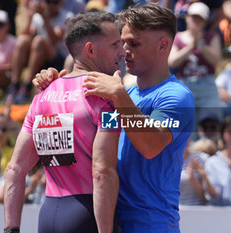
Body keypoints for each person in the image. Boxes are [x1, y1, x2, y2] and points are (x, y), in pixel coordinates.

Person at [34, 4, 194, 232]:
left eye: (134, 43)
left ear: (163, 45)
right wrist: (56, 87)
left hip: (152, 225)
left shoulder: (178, 97)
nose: (124, 51)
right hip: (111, 223)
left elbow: (150, 145)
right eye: (122, 42)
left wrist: (118, 95)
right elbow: (80, 144)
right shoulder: (120, 95)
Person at [4, 12, 124, 233]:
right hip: (88, 215)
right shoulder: (104, 98)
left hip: (48, 213)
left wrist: (11, 228)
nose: (123, 51)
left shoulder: (41, 97)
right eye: (116, 44)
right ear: (90, 50)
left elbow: (15, 168)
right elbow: (101, 172)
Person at [168, 2, 222, 128]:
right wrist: (191, 47)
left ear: (205, 21)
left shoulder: (211, 36)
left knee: (211, 125)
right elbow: (172, 61)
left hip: (207, 86)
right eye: (193, 17)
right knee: (187, 128)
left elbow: (216, 60)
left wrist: (201, 45)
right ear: (187, 17)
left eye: (200, 19)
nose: (196, 22)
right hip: (186, 85)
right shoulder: (178, 37)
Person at [8, 0, 73, 103]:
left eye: (55, 2)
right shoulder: (37, 17)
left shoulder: (67, 16)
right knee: (22, 41)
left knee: (39, 41)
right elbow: (25, 35)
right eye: (48, 2)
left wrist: (44, 18)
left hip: (59, 58)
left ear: (61, 3)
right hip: (40, 56)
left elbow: (54, 39)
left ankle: (27, 86)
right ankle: (14, 85)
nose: (51, 5)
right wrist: (30, 17)